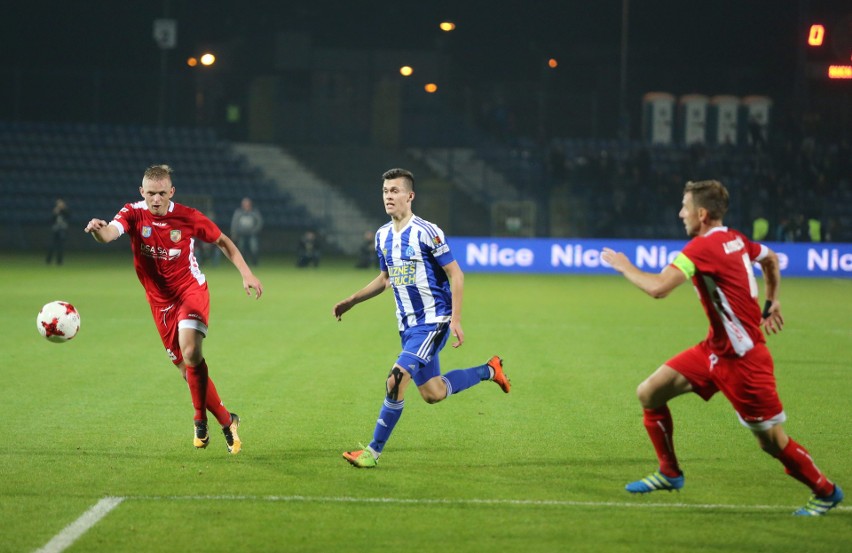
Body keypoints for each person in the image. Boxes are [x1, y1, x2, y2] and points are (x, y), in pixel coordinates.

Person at [600, 179, 843, 516]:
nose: (680, 213)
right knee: (650, 392)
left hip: (745, 362)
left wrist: (624, 266)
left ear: (701, 213)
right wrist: (773, 300)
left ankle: (826, 490)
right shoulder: (735, 239)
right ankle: (670, 473)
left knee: (771, 441)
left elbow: (659, 289)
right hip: (713, 351)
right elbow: (771, 258)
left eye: (685, 207)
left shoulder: (700, 249)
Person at [332, 168, 511, 468]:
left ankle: (372, 452)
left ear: (410, 196)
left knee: (396, 378)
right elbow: (385, 279)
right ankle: (490, 370)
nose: (388, 196)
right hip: (408, 327)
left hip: (434, 321)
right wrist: (352, 301)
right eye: (385, 191)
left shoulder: (427, 231)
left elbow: (456, 273)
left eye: (395, 191)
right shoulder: (382, 236)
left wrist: (455, 318)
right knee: (433, 393)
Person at [84, 165, 263, 455]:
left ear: (172, 193)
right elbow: (108, 234)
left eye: (162, 194)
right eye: (151, 193)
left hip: (190, 290)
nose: (156, 199)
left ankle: (199, 419)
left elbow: (222, 241)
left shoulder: (188, 217)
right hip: (159, 303)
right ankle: (227, 421)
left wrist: (246, 273)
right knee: (185, 370)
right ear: (142, 192)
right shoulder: (132, 213)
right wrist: (97, 230)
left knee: (191, 351)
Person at [230, 197, 263, 265]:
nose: (245, 205)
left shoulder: (254, 212)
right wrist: (234, 233)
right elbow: (234, 223)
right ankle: (244, 263)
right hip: (241, 234)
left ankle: (254, 262)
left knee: (254, 248)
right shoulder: (238, 212)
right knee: (241, 249)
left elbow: (259, 222)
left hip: (252, 234)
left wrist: (255, 230)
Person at [46, 198, 70, 265]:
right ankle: (48, 260)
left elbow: (68, 216)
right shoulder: (55, 211)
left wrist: (63, 209)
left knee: (61, 246)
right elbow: (51, 220)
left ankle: (59, 261)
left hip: (62, 230)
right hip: (55, 230)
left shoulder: (65, 211)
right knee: (52, 245)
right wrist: (55, 213)